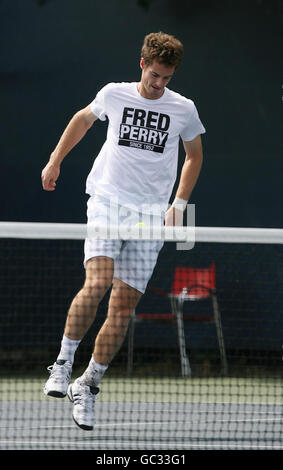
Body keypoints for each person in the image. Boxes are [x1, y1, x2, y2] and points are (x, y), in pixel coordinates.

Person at [41, 31, 205, 431]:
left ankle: (89, 383)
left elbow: (194, 155)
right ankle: (63, 364)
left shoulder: (183, 109)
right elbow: (83, 119)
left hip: (150, 216)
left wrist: (178, 206)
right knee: (97, 283)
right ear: (142, 64)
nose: (159, 83)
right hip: (107, 201)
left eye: (166, 77)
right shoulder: (115, 94)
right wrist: (55, 160)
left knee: (123, 307)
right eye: (154, 75)